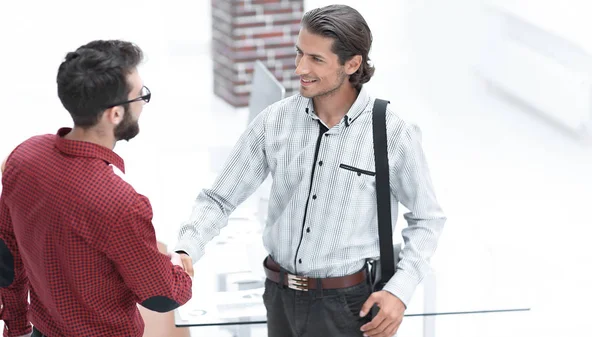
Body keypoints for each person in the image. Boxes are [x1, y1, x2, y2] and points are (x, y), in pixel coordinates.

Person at [175, 4, 446, 337]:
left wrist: (399, 291)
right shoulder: (274, 121)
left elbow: (427, 218)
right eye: (299, 53)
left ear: (353, 63)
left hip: (347, 306)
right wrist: (187, 248)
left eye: (316, 59)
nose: (300, 67)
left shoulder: (391, 132)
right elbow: (219, 199)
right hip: (278, 296)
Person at [0, 40, 192, 337]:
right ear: (115, 114)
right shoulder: (120, 203)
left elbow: (7, 257)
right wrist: (178, 267)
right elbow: (163, 296)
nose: (142, 103)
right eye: (141, 95)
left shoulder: (22, 158)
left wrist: (16, 327)